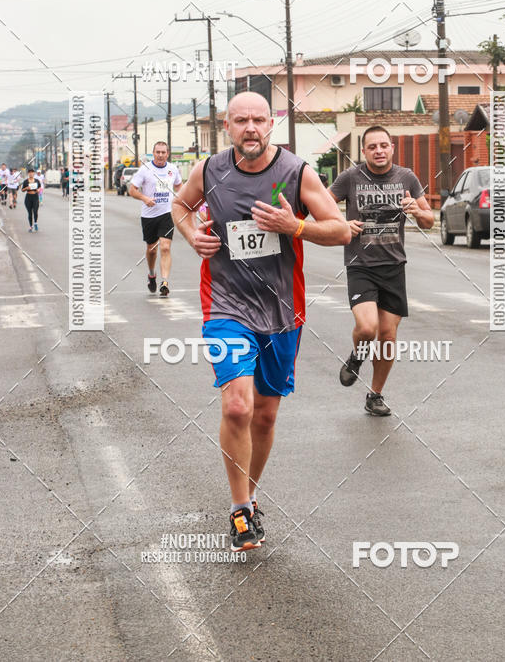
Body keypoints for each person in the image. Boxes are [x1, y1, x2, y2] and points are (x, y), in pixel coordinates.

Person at [172, 92, 350, 552]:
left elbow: (340, 229)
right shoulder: (210, 171)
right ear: (226, 126)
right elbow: (180, 206)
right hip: (225, 305)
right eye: (240, 121)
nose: (250, 128)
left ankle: (249, 497)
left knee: (266, 416)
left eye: (258, 120)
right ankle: (239, 511)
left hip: (280, 311)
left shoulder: (296, 173)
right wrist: (193, 236)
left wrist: (296, 228)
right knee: (237, 405)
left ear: (271, 124)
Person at [329, 126, 434, 416]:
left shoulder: (406, 177)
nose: (379, 150)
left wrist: (417, 209)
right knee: (367, 328)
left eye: (383, 145)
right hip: (360, 266)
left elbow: (429, 221)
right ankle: (357, 356)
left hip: (393, 266)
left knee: (387, 338)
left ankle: (375, 395)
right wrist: (340, 225)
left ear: (392, 148)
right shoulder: (350, 177)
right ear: (364, 151)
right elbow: (321, 203)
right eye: (372, 146)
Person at [129, 142, 183, 296]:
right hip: (149, 215)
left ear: (168, 153)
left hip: (166, 214)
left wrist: (182, 198)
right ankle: (152, 274)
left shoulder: (173, 169)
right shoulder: (145, 170)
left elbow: (179, 186)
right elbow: (132, 190)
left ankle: (164, 282)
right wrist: (144, 198)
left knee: (165, 247)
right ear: (153, 153)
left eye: (163, 152)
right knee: (151, 250)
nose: (160, 155)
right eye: (157, 152)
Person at [21, 167, 41, 231]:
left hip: (35, 196)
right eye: (29, 173)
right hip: (28, 197)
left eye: (32, 173)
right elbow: (22, 190)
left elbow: (40, 187)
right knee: (30, 213)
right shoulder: (25, 181)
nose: (31, 174)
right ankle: (31, 226)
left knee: (35, 211)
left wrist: (38, 190)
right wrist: (27, 188)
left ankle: (35, 223)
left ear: (34, 173)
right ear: (28, 174)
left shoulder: (37, 181)